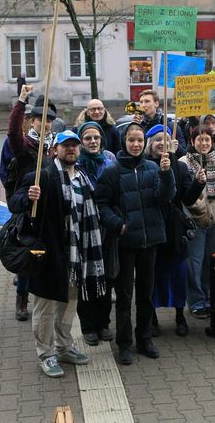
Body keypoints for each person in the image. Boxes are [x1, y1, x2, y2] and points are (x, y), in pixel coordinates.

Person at [9, 130, 100, 377]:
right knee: (45, 308)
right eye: (65, 146)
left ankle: (64, 347)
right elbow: (13, 204)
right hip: (49, 255)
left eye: (74, 145)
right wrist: (28, 198)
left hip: (77, 254)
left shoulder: (84, 178)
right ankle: (45, 354)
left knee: (69, 305)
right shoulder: (42, 176)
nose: (71, 149)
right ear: (54, 150)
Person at [95, 123, 175, 365]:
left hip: (149, 241)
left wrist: (166, 173)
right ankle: (124, 344)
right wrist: (118, 225)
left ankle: (144, 338)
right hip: (125, 242)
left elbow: (166, 197)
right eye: (131, 140)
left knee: (145, 293)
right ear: (124, 141)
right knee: (124, 295)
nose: (136, 144)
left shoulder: (153, 167)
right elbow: (101, 203)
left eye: (140, 140)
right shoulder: (112, 171)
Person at [145, 125, 205, 337]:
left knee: (178, 275)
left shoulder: (179, 167)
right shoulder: (144, 167)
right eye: (157, 139)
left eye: (166, 139)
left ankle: (180, 316)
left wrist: (198, 183)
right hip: (152, 229)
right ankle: (152, 319)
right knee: (152, 277)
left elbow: (187, 199)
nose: (162, 143)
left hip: (175, 230)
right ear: (149, 144)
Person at [5, 86, 56, 321]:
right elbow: (12, 132)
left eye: (49, 121)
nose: (45, 124)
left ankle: (48, 295)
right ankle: (22, 298)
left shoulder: (55, 147)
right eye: (41, 120)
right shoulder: (25, 146)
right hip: (29, 207)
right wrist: (21, 101)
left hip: (51, 207)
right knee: (29, 254)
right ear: (33, 121)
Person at [180, 124, 215, 319]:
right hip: (195, 222)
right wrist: (199, 205)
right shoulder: (183, 163)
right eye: (199, 139)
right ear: (192, 141)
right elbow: (182, 194)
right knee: (194, 264)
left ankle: (210, 297)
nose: (203, 143)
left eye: (207, 140)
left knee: (211, 262)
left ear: (212, 142)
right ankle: (196, 301)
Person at [74, 121, 118, 346]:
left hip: (108, 229)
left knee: (107, 277)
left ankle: (104, 322)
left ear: (102, 140)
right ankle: (88, 325)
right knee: (87, 278)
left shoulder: (111, 162)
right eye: (88, 138)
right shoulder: (76, 165)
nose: (92, 142)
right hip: (85, 230)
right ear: (81, 141)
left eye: (96, 138)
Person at [129, 89, 186, 157]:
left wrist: (176, 147)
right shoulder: (139, 127)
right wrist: (132, 127)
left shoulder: (171, 126)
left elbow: (184, 154)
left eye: (147, 101)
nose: (143, 105)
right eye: (141, 102)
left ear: (156, 104)